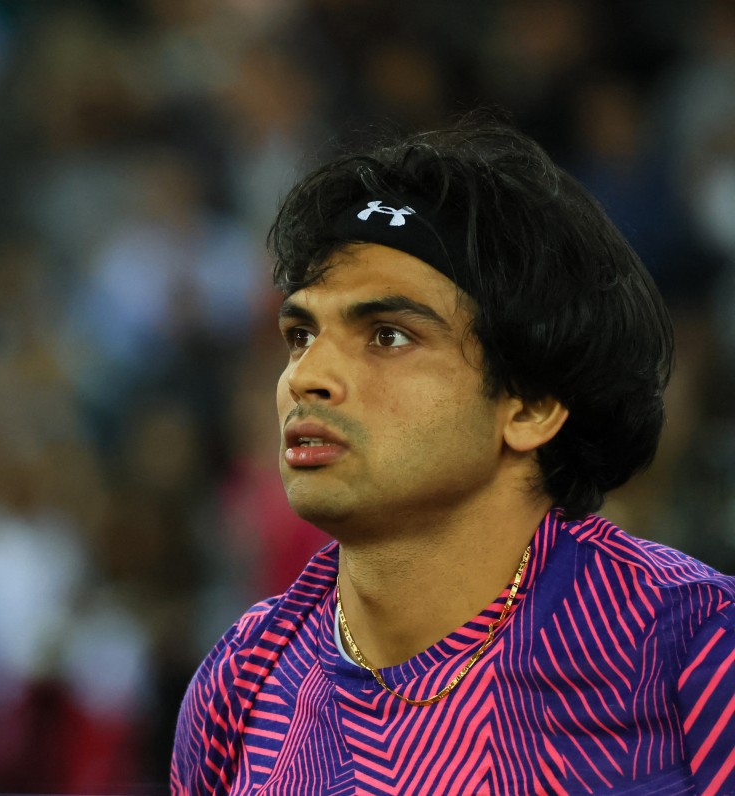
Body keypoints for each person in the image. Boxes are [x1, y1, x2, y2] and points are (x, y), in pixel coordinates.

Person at [171, 119, 735, 795]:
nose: (305, 375)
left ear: (528, 406)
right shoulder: (239, 681)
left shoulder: (696, 641)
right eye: (301, 334)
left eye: (387, 335)